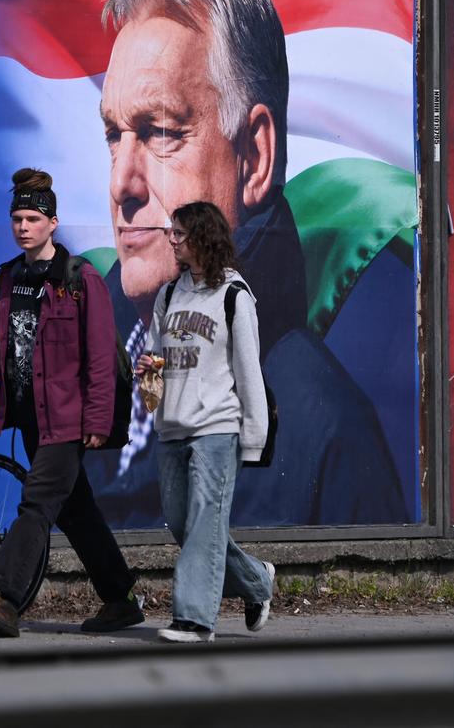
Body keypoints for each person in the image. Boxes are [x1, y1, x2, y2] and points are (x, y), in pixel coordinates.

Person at [90, 0, 409, 528]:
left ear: (254, 157)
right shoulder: (84, 378)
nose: (121, 183)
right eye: (114, 134)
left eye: (159, 132)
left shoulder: (329, 431)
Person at [0, 168, 144, 638]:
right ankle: (122, 598)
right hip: (30, 419)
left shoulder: (81, 280)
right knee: (74, 509)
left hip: (68, 420)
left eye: (32, 218)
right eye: (17, 218)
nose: (23, 227)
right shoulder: (7, 281)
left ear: (52, 223)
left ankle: (2, 598)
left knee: (38, 504)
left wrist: (98, 420)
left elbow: (102, 358)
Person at [136, 201, 275, 643]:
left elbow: (248, 370)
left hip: (217, 427)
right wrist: (147, 382)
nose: (171, 241)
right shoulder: (169, 294)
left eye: (178, 233)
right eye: (171, 233)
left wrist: (253, 438)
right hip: (172, 427)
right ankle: (256, 580)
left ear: (202, 237)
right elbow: (157, 366)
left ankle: (194, 620)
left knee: (202, 521)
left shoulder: (234, 296)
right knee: (185, 524)